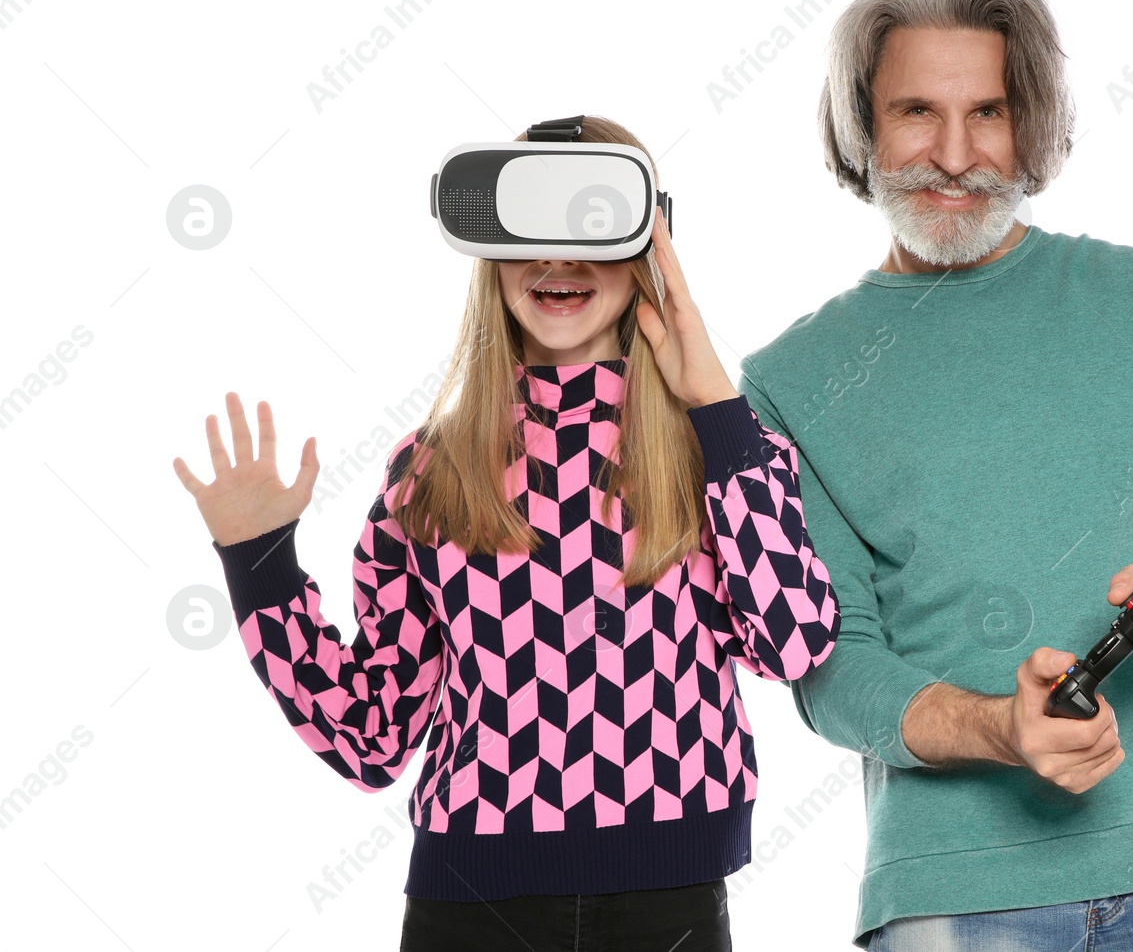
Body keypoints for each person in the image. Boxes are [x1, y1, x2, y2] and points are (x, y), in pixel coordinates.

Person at [736, 0, 1133, 951]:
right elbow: (830, 667)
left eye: (989, 113)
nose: (953, 155)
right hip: (953, 890)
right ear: (863, 128)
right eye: (916, 111)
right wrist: (1002, 726)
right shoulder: (790, 378)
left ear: (1030, 126)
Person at [172, 115, 841, 952]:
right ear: (491, 249)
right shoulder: (430, 470)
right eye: (530, 225)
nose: (557, 259)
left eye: (590, 224)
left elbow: (795, 641)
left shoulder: (723, 450)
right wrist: (258, 564)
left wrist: (713, 402)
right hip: (468, 907)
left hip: (669, 900)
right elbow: (373, 737)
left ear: (648, 244)